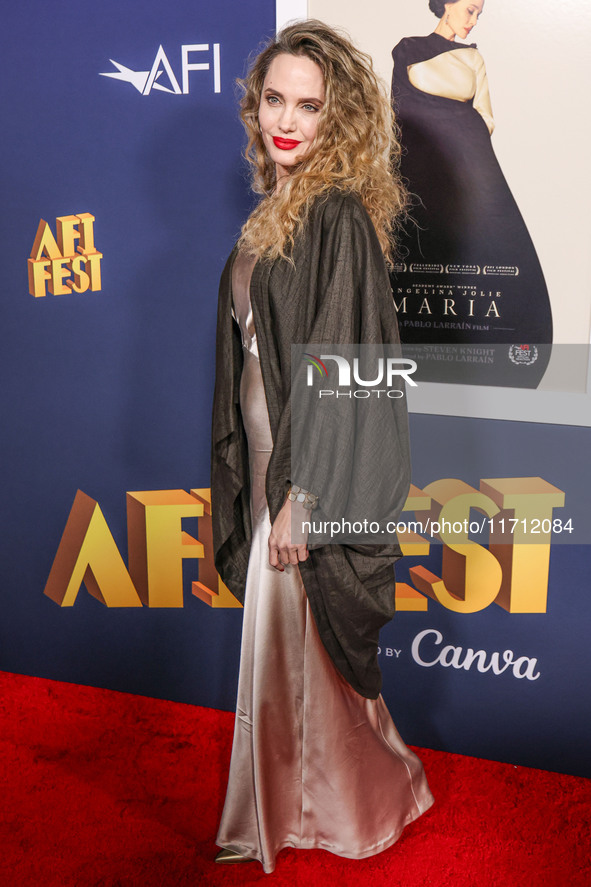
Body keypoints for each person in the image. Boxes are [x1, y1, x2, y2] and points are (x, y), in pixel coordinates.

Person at [210, 20, 434, 874]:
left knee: (301, 652)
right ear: (256, 104)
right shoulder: (278, 204)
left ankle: (323, 812)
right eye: (275, 99)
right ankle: (346, 797)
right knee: (298, 655)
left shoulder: (334, 214)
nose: (287, 120)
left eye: (309, 105)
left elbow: (347, 364)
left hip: (299, 473)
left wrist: (305, 492)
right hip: (273, 459)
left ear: (338, 119)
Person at [391, 0, 552, 386]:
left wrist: (464, 137)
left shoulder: (473, 59)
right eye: (469, 10)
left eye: (479, 14)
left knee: (489, 254)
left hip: (472, 162)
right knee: (415, 256)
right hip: (419, 166)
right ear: (446, 5)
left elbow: (487, 115)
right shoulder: (408, 48)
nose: (473, 20)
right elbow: (399, 109)